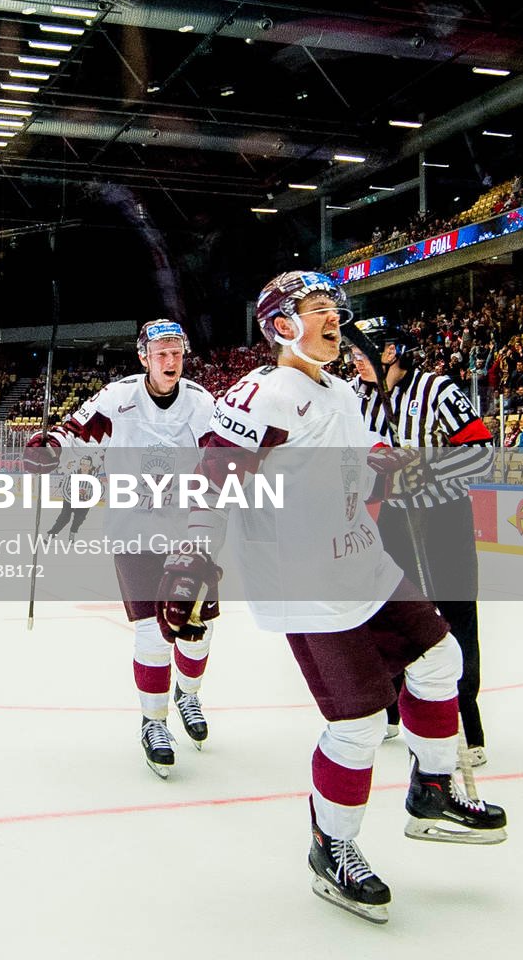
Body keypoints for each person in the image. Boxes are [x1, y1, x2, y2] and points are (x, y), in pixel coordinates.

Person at [175, 271, 505, 923]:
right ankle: (334, 847)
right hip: (307, 584)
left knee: (440, 660)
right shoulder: (264, 393)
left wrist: (381, 459)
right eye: (318, 308)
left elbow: (356, 449)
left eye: (335, 306)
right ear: (280, 325)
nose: (334, 317)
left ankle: (432, 792)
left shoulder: (341, 388)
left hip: (364, 563)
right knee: (355, 725)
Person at [25, 319, 217, 777]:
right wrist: (48, 445)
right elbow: (75, 430)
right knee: (152, 633)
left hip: (190, 529)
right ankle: (153, 723)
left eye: (177, 352)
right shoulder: (118, 398)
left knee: (198, 631)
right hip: (133, 530)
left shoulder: (202, 403)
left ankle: (188, 696)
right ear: (143, 357)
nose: (171, 361)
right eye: (162, 353)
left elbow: (222, 452)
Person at [350, 317, 496, 767]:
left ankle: (465, 721)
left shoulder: (438, 391)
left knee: (454, 615)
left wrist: (427, 468)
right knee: (393, 612)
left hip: (445, 517)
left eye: (362, 352)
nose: (354, 360)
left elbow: (482, 452)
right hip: (393, 517)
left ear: (390, 352)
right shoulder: (356, 398)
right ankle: (393, 706)